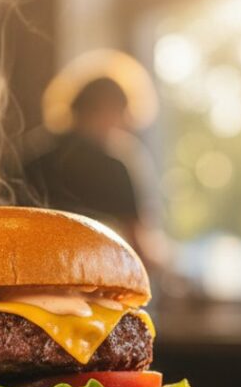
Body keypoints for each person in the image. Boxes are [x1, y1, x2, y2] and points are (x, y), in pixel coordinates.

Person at [23, 77, 148, 255]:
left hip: (33, 265)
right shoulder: (112, 169)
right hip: (97, 272)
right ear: (106, 109)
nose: (124, 124)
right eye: (122, 113)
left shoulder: (34, 156)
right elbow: (136, 246)